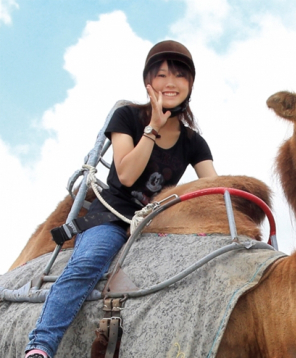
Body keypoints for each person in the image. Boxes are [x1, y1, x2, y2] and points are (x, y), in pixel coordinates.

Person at [25, 40, 217, 358]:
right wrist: (152, 129)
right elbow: (126, 175)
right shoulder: (127, 117)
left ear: (190, 84)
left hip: (157, 224)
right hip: (113, 217)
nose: (170, 82)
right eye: (162, 75)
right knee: (86, 264)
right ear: (148, 83)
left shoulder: (194, 142)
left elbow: (213, 188)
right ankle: (40, 346)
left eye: (180, 75)